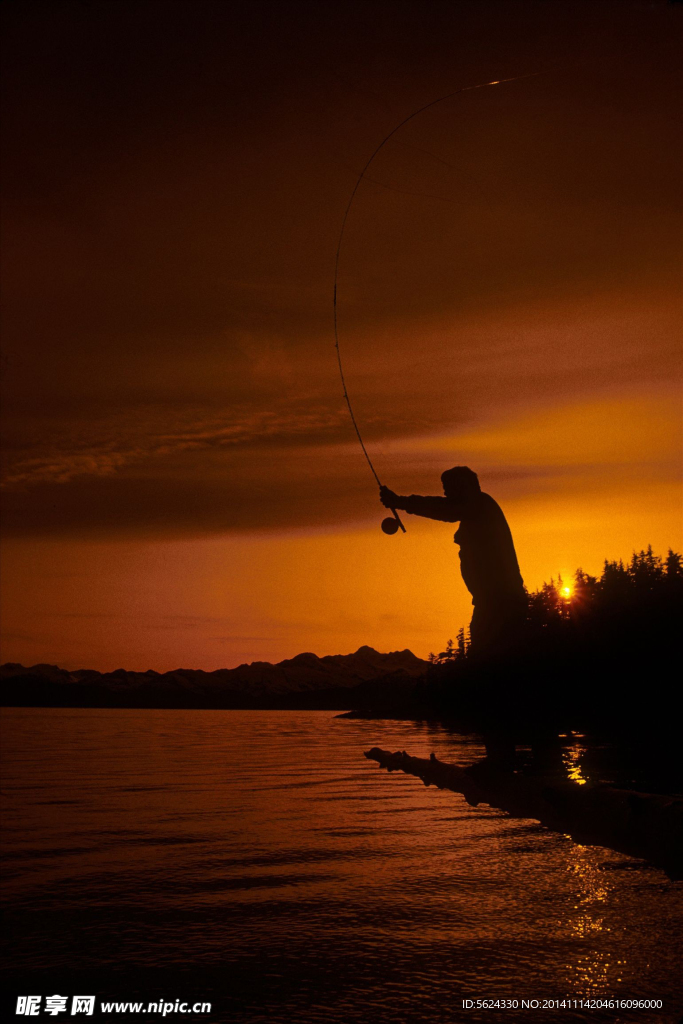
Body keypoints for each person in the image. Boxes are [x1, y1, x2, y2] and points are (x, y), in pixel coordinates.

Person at [380, 466, 527, 659]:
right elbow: (445, 507)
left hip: (500, 603)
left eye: (449, 487)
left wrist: (400, 502)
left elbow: (445, 509)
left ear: (464, 487)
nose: (445, 492)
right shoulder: (479, 508)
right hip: (494, 602)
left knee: (490, 664)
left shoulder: (480, 505)